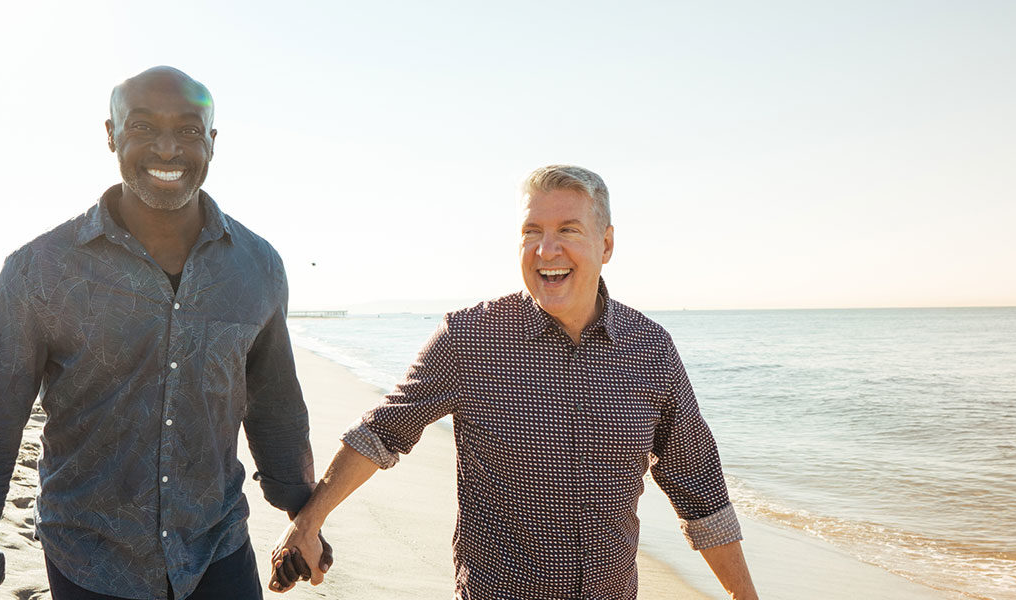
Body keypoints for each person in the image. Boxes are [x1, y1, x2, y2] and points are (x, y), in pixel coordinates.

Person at [0, 66, 329, 600]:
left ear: (212, 142)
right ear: (112, 134)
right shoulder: (40, 271)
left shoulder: (257, 267)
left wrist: (305, 517)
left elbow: (275, 405)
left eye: (189, 130)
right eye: (142, 127)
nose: (167, 149)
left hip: (218, 548)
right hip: (91, 561)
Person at [271, 165, 759, 599]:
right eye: (532, 232)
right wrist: (307, 524)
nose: (547, 250)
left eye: (568, 229)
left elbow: (700, 488)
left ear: (606, 244)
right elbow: (382, 431)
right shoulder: (470, 336)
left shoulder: (651, 350)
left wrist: (744, 595)